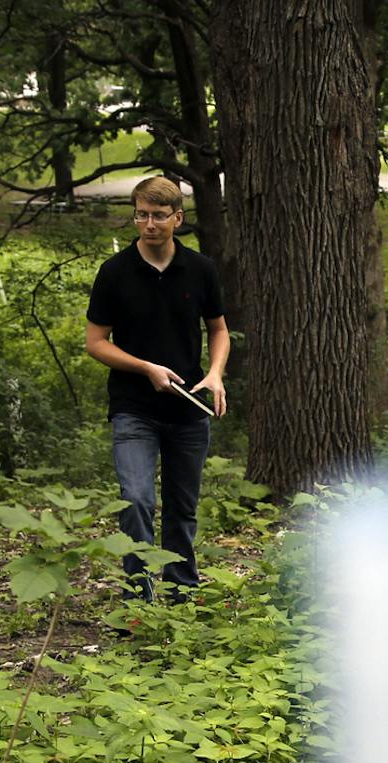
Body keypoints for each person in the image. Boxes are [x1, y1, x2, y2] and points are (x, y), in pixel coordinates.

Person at [83, 175, 229, 601]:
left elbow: (219, 330)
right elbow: (95, 343)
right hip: (134, 409)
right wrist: (145, 367)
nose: (148, 224)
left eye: (158, 216)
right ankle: (138, 598)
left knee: (182, 510)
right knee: (136, 500)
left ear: (177, 219)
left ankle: (181, 594)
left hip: (188, 410)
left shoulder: (200, 269)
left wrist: (216, 372)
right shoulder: (114, 273)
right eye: (141, 215)